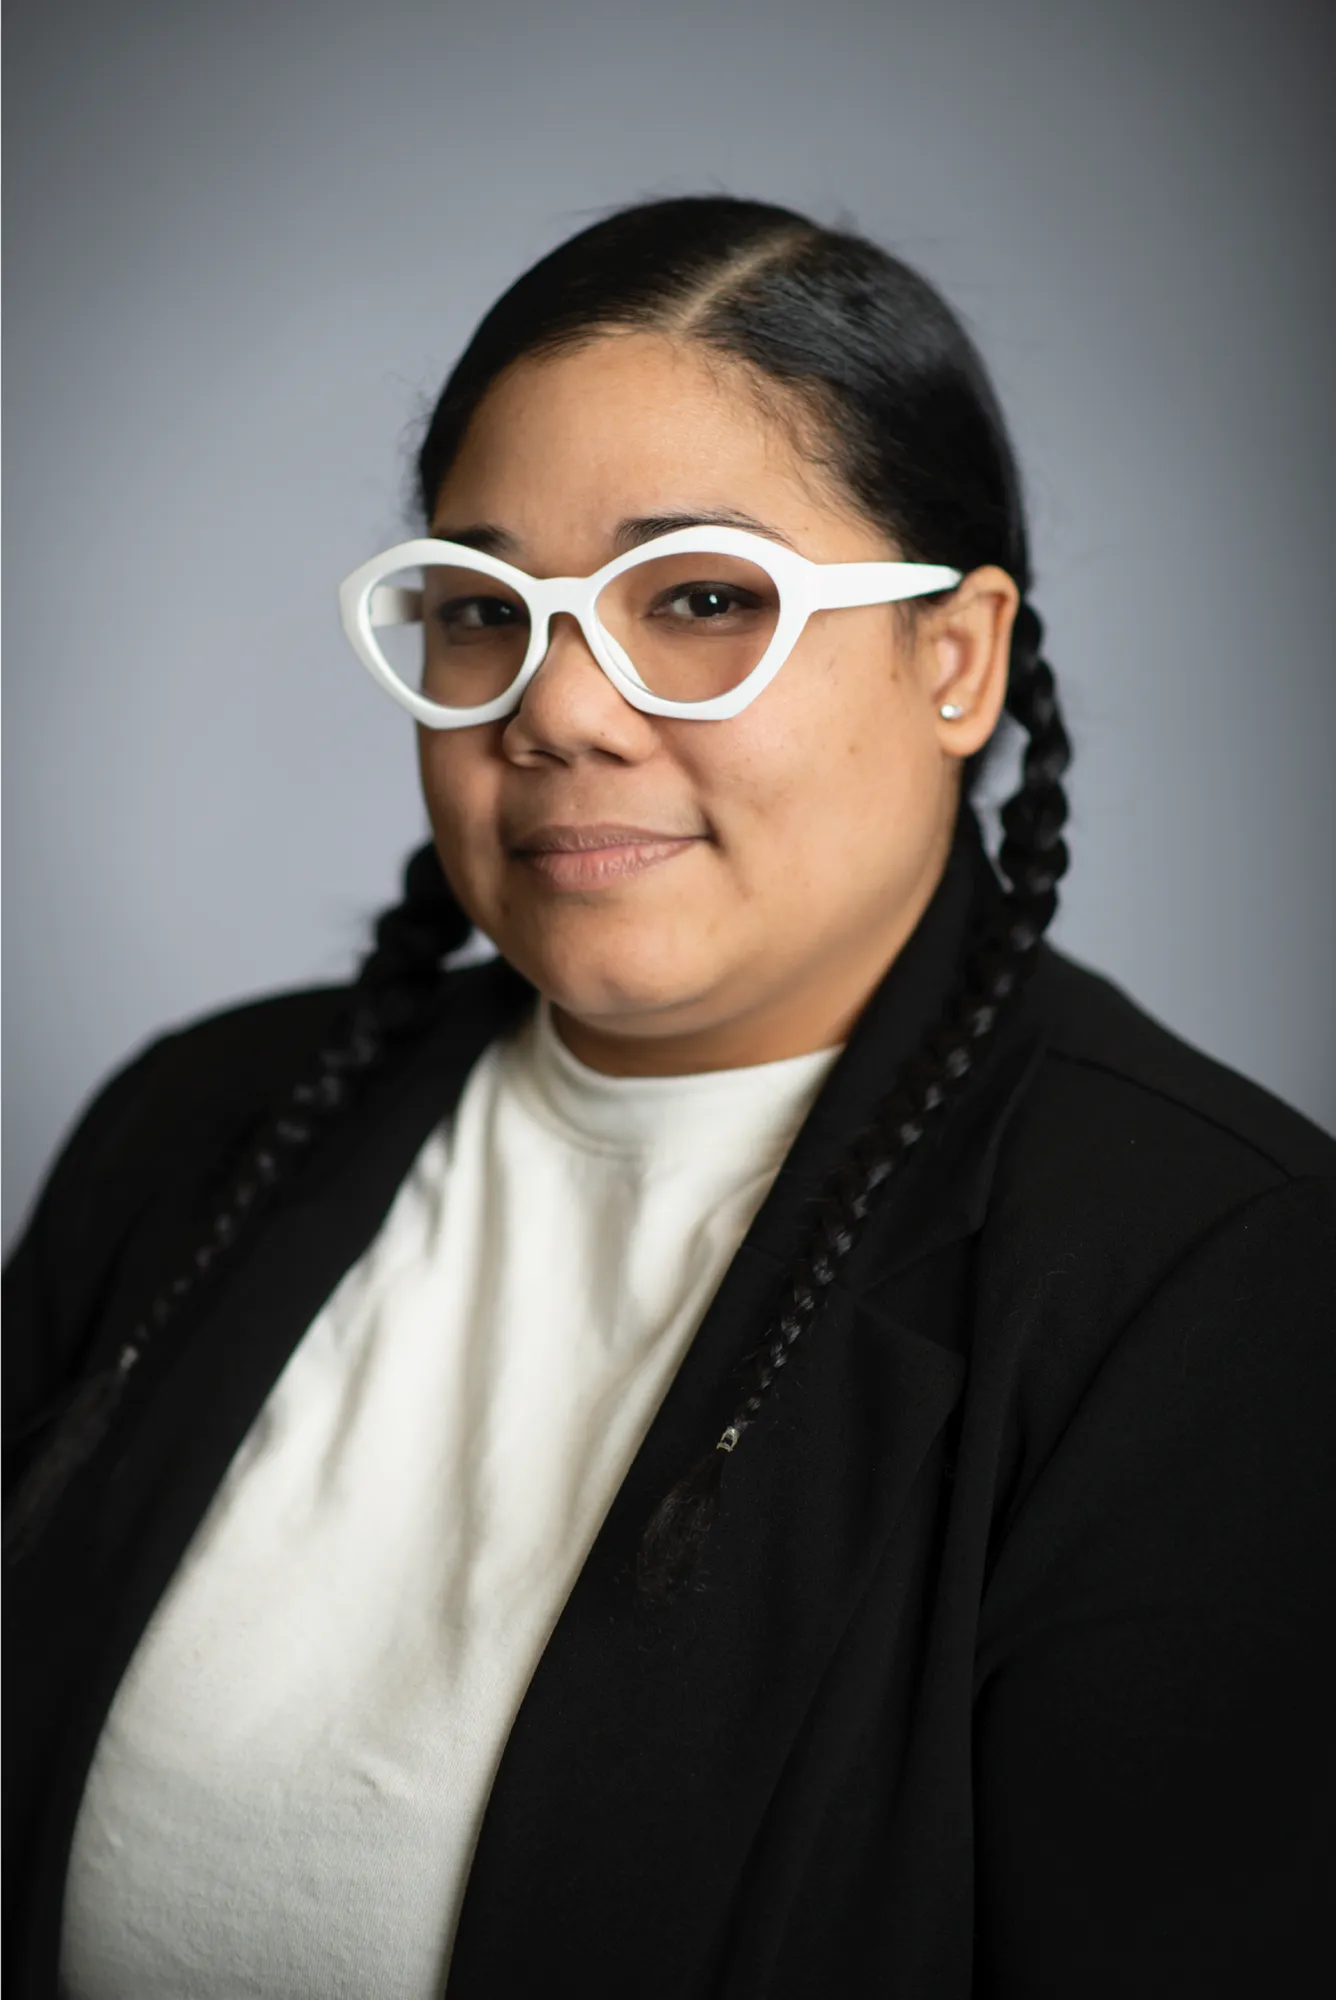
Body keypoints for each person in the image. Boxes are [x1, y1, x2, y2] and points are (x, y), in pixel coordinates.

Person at [4, 195, 1333, 2000]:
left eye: (703, 600)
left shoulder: (1213, 1286)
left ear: (954, 660)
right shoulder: (191, 1132)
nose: (560, 709)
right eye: (485, 610)